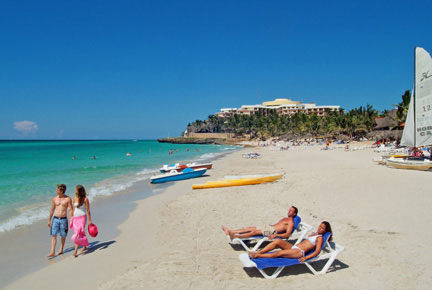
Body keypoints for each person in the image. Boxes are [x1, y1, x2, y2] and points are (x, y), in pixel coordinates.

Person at [249, 221, 332, 262]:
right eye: (320, 226)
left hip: (299, 252)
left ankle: (257, 256)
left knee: (278, 253)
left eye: (322, 228)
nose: (320, 228)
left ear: (325, 230)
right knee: (278, 241)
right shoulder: (315, 234)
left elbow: (317, 252)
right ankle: (259, 252)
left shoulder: (319, 238)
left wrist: (305, 258)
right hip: (294, 247)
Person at [222, 206, 298, 240]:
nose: (289, 211)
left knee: (254, 232)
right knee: (250, 228)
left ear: (294, 214)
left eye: (291, 211)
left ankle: (235, 236)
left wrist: (276, 235)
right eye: (289, 210)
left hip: (272, 231)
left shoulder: (291, 222)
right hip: (270, 227)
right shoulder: (285, 218)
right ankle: (230, 231)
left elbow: (287, 234)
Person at [47, 184, 73, 258]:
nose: (56, 191)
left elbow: (71, 209)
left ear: (61, 191)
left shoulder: (68, 199)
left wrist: (71, 219)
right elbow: (52, 210)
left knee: (63, 235)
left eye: (57, 189)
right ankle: (52, 251)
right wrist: (49, 220)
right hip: (55, 219)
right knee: (53, 235)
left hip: (63, 219)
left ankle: (61, 249)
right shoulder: (55, 199)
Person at [70, 185, 93, 257]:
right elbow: (73, 209)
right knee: (80, 233)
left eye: (76, 189)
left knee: (78, 233)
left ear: (79, 191)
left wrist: (90, 220)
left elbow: (88, 210)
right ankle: (84, 246)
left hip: (82, 218)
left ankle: (75, 251)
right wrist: (72, 217)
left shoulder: (85, 199)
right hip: (75, 218)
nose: (75, 191)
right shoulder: (74, 198)